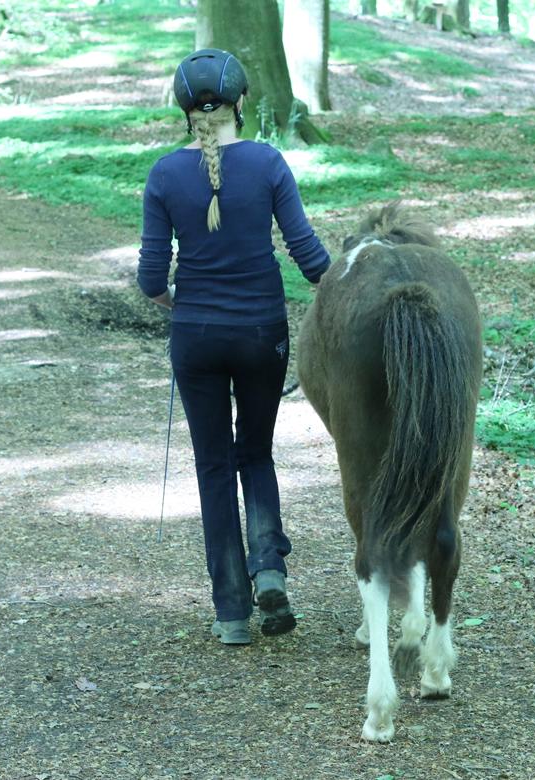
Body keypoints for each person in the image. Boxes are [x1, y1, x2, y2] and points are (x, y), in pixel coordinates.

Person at [137, 49, 330, 645]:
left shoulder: (165, 174)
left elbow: (151, 278)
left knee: (213, 466)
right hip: (261, 334)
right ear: (241, 103)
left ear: (185, 110)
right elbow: (310, 259)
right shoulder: (269, 163)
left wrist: (177, 303)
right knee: (256, 454)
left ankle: (231, 614)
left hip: (195, 338)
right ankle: (269, 567)